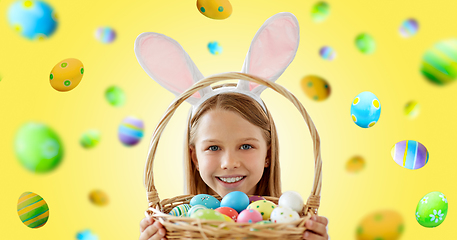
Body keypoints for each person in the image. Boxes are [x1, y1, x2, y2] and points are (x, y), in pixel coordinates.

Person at [135, 12, 329, 240]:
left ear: (268, 153)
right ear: (194, 157)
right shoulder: (179, 224)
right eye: (214, 148)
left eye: (246, 146)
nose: (229, 163)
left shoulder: (290, 222)